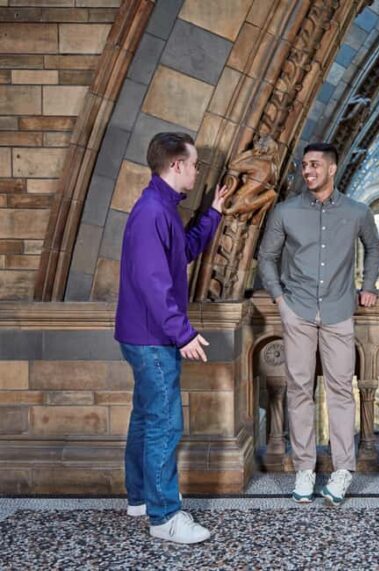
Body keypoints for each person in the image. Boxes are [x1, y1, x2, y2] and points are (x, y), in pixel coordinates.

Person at [115, 132, 230, 544]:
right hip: (153, 338)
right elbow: (153, 281)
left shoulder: (162, 207)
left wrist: (213, 213)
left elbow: (181, 254)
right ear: (177, 165)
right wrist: (182, 333)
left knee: (146, 416)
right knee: (164, 422)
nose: (197, 172)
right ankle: (164, 517)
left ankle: (141, 498)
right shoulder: (151, 212)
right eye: (194, 164)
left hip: (145, 334)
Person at [258, 142, 379, 506]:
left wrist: (369, 285)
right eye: (304, 165)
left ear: (331, 168)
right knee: (299, 390)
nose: (307, 171)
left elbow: (374, 246)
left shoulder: (357, 212)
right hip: (296, 310)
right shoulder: (285, 211)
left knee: (341, 390)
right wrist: (280, 301)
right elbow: (266, 257)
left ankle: (343, 470)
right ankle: (304, 469)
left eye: (314, 165)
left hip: (339, 312)